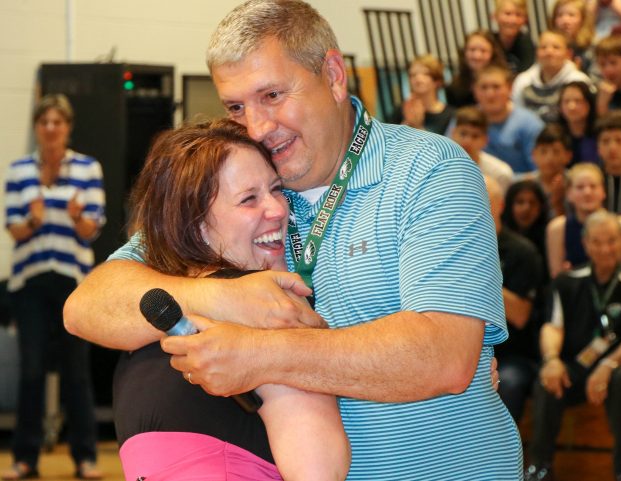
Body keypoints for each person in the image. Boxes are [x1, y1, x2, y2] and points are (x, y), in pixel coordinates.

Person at [63, 1, 522, 480]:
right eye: (237, 107)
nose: (258, 127)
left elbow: (443, 356)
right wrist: (224, 296)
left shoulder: (428, 170)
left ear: (333, 74)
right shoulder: (237, 182)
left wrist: (259, 355)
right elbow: (90, 305)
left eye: (273, 95)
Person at [114, 119, 349, 481]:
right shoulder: (266, 309)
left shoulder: (270, 312)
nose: (277, 210)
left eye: (276, 189)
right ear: (197, 226)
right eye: (249, 199)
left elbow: (319, 467)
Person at [2, 95, 104, 481]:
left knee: (76, 373)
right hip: (29, 282)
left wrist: (77, 218)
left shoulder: (87, 169)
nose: (50, 128)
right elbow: (13, 229)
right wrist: (33, 221)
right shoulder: (18, 170)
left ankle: (85, 458)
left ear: (68, 127)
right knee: (30, 371)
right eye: (43, 121)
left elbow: (92, 230)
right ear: (35, 127)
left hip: (73, 282)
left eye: (57, 122)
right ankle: (25, 459)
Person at [525, 210, 621, 481]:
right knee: (548, 380)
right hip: (577, 366)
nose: (605, 248)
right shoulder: (566, 282)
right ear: (585, 244)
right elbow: (552, 326)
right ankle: (539, 468)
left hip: (618, 368)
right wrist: (551, 359)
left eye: (611, 241)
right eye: (597, 241)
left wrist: (608, 365)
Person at [484, 175, 545, 425]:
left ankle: (498, 460)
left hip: (512, 354)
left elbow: (520, 315)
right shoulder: (447, 247)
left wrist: (477, 273)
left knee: (507, 381)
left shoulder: (522, 252)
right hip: (461, 349)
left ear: (499, 206)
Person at [546, 163, 621, 278]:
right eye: (580, 187)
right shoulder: (558, 228)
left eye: (593, 186)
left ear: (603, 192)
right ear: (569, 193)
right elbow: (557, 277)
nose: (587, 193)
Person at [474, 65, 544, 174]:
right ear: (475, 90)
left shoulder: (530, 124)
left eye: (496, 87)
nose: (490, 94)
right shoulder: (464, 121)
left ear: (510, 88)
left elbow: (541, 173)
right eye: (483, 87)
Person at [511, 29, 592, 123]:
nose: (549, 52)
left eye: (556, 47)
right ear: (536, 53)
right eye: (543, 47)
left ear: (568, 53)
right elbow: (516, 116)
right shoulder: (523, 80)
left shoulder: (579, 81)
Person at [449, 106, 514, 193]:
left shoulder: (500, 174)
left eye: (475, 136)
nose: (467, 141)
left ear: (485, 140)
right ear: (453, 133)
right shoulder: (435, 168)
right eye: (463, 134)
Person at [387, 54, 454, 135]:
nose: (418, 79)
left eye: (425, 74)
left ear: (437, 81)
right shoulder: (400, 111)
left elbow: (447, 145)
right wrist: (407, 123)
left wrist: (418, 127)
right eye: (413, 75)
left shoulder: (450, 115)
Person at [502, 179, 552, 280]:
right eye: (520, 202)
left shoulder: (549, 237)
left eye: (532, 203)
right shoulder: (498, 238)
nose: (526, 208)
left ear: (541, 208)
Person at [446, 30, 507, 108]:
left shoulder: (505, 81)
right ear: (464, 53)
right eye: (472, 50)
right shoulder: (453, 88)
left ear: (493, 54)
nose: (477, 56)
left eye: (483, 51)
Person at [520, 124, 571, 217]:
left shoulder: (577, 184)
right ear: (533, 155)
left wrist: (558, 201)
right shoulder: (524, 184)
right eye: (543, 151)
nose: (549, 158)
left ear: (568, 156)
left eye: (556, 151)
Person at [558, 81, 601, 166]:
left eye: (577, 101)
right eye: (566, 101)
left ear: (589, 104)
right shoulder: (556, 136)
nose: (571, 107)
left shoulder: (600, 134)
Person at [491, 0, 535, 75]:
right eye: (508, 14)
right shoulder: (488, 43)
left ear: (525, 19)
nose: (513, 20)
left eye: (518, 15)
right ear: (495, 16)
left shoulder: (527, 44)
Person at [550, 0, 595, 71]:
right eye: (560, 15)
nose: (565, 21)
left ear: (583, 19)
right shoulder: (549, 48)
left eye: (571, 15)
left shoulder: (591, 48)